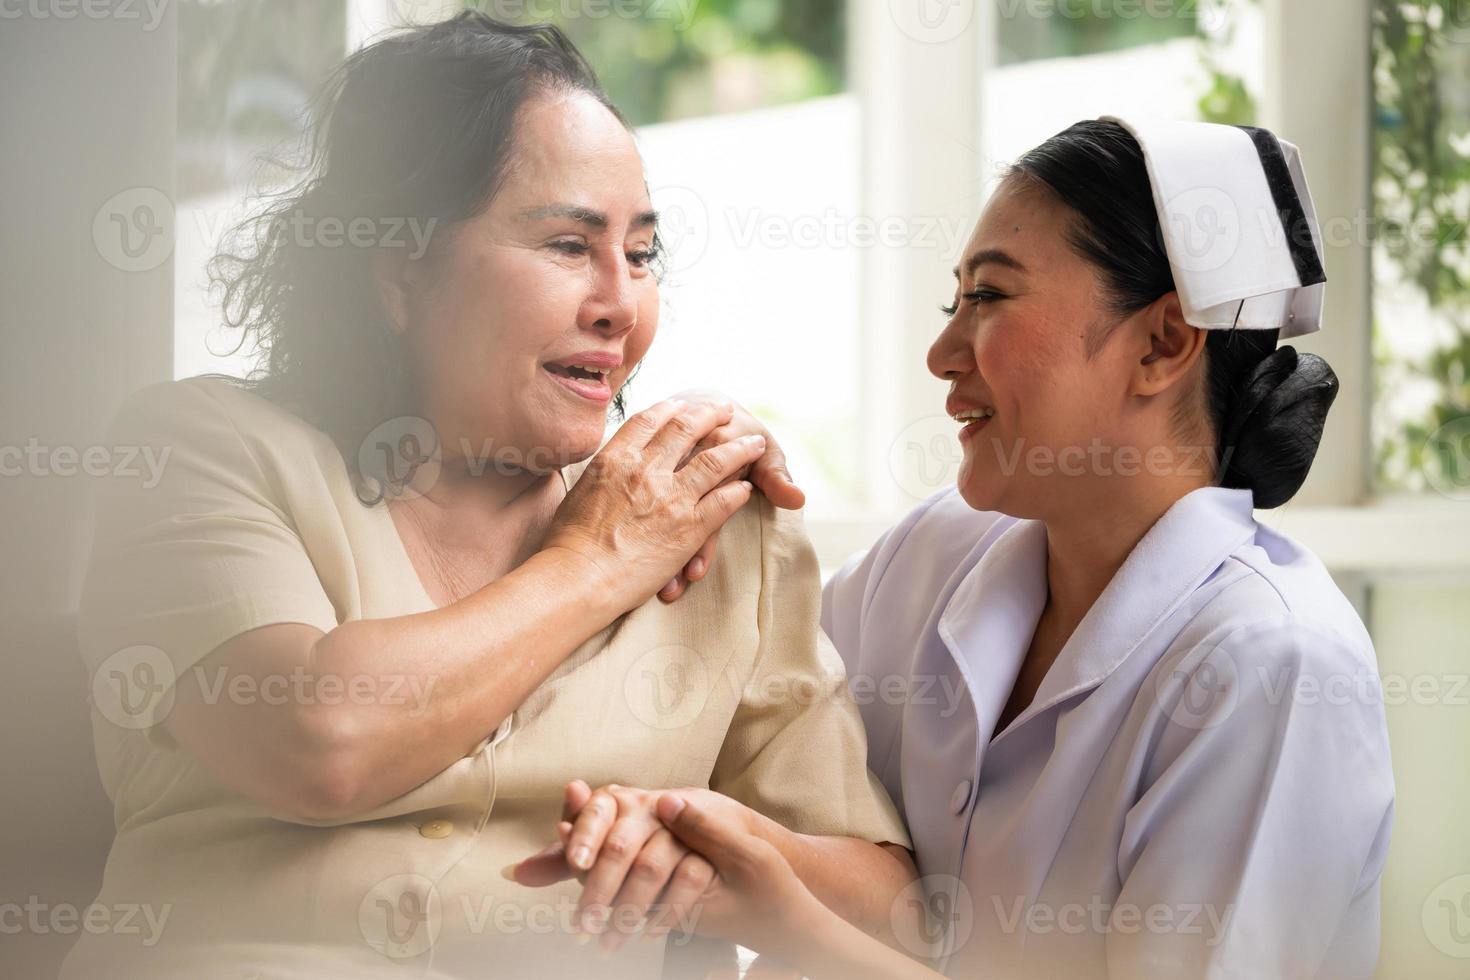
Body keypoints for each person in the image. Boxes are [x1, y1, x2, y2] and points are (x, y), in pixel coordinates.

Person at [61, 14, 913, 979]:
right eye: (565, 244)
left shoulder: (716, 526)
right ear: (400, 272)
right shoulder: (198, 452)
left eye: (641, 254)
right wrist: (596, 560)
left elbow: (895, 918)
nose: (619, 305)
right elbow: (317, 746)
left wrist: (717, 846)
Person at [570, 117, 1396, 979]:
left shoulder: (1274, 667)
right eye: (951, 303)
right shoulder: (942, 550)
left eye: (990, 299)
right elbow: (744, 718)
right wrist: (704, 494)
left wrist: (793, 921)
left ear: (1162, 344)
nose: (941, 353)